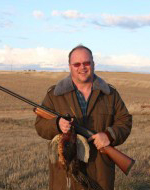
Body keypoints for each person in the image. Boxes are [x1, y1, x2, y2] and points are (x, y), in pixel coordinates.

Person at [35, 45, 132, 190]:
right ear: (70, 66)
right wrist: (56, 124)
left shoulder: (110, 94)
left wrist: (109, 135)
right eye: (77, 64)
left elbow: (125, 121)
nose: (82, 67)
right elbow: (40, 125)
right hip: (65, 174)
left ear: (93, 64)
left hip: (100, 173)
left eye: (87, 63)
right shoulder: (55, 94)